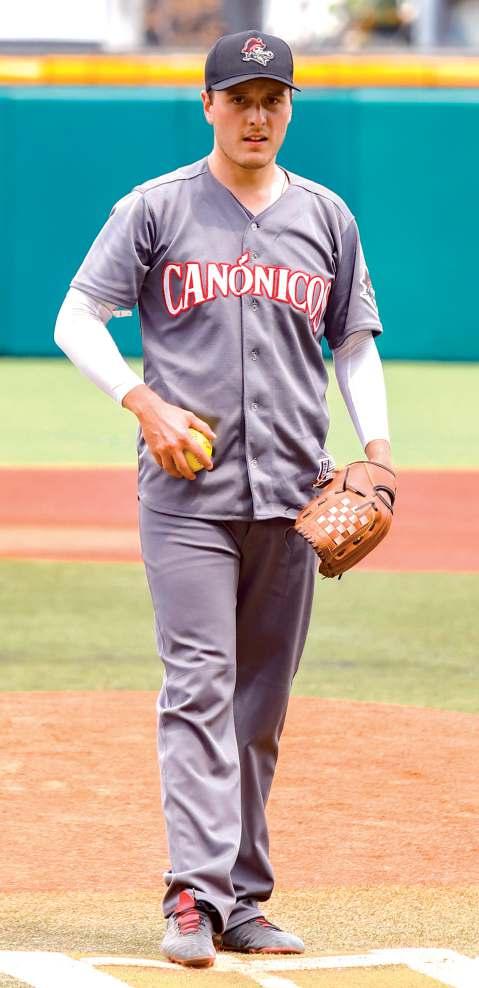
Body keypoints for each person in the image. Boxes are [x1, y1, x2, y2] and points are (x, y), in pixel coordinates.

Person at [54, 29, 393, 969]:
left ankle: (241, 898)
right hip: (186, 496)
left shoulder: (325, 217)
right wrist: (141, 400)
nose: (255, 115)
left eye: (271, 99)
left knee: (260, 702)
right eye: (238, 98)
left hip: (291, 492)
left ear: (288, 109)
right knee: (200, 684)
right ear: (207, 105)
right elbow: (77, 315)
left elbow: (352, 341)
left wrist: (377, 452)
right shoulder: (156, 207)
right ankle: (192, 894)